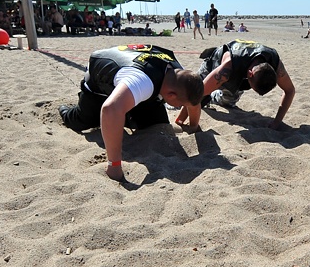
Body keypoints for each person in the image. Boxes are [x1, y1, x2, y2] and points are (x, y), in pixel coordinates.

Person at [59, 45, 205, 181]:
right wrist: (114, 166)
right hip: (99, 83)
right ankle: (64, 109)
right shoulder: (141, 81)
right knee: (83, 121)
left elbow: (193, 101)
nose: (179, 107)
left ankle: (127, 112)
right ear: (172, 95)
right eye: (180, 105)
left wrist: (193, 126)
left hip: (135, 75)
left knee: (156, 125)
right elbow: (110, 109)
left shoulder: (180, 75)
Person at [175, 40, 296, 131]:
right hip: (214, 65)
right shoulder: (226, 69)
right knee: (193, 94)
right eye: (252, 86)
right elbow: (196, 93)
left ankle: (212, 97)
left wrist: (276, 122)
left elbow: (290, 90)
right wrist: (181, 121)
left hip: (238, 76)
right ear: (250, 74)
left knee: (227, 102)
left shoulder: (275, 62)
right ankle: (175, 103)